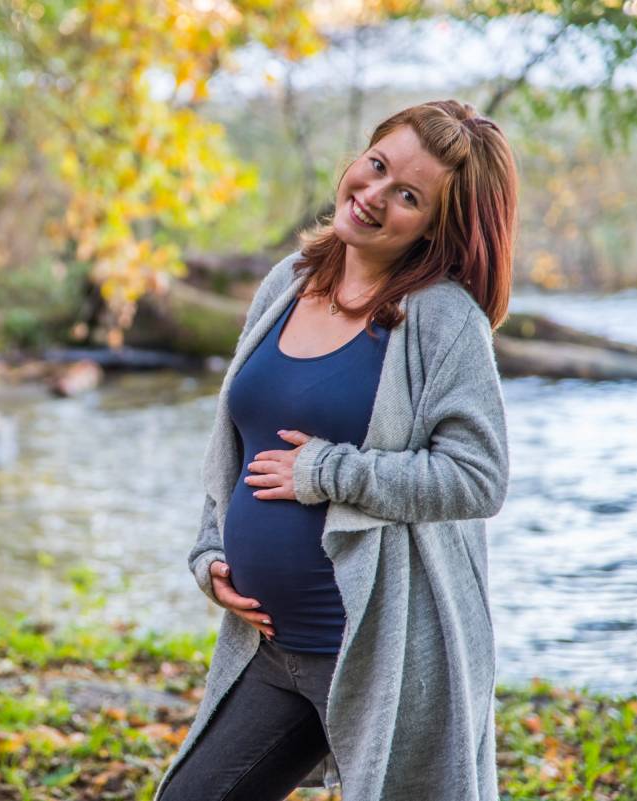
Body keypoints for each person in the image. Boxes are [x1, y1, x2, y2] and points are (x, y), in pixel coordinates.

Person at [153, 99, 518, 801]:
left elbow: (478, 476)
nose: (375, 195)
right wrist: (209, 552)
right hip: (270, 648)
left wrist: (328, 470)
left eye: (408, 196)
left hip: (380, 654)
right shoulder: (288, 281)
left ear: (438, 227)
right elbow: (234, 438)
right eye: (376, 166)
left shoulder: (443, 320)